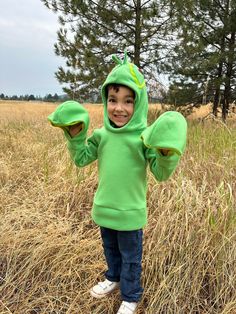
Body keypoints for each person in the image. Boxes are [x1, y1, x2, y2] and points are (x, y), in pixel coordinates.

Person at [47, 51, 187, 314]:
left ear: (140, 104)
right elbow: (81, 158)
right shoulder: (101, 135)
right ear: (105, 101)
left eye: (128, 101)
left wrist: (165, 152)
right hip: (104, 207)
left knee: (131, 258)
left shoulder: (143, 138)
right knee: (110, 248)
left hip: (130, 213)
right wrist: (76, 134)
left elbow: (160, 173)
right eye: (112, 99)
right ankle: (112, 278)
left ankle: (131, 295)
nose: (119, 108)